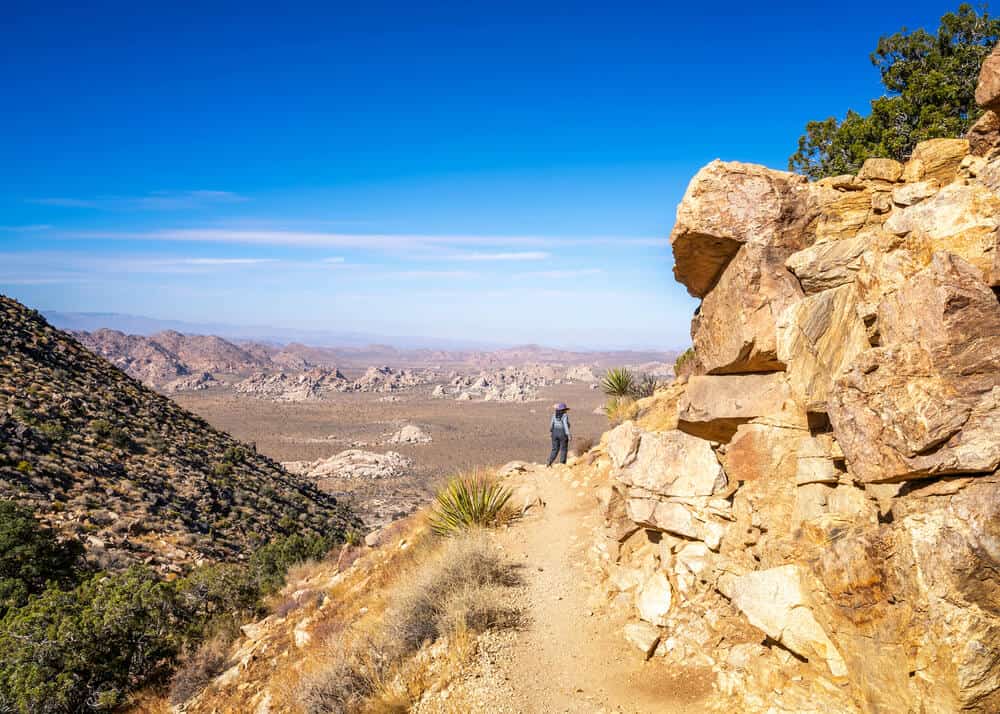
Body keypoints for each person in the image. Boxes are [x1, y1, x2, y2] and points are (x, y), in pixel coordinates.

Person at [546, 402, 571, 466]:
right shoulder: (564, 415)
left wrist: (551, 432)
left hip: (554, 433)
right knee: (563, 449)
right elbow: (565, 425)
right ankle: (562, 464)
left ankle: (549, 461)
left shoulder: (554, 415)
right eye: (565, 409)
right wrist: (568, 434)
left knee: (555, 449)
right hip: (562, 433)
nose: (566, 411)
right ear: (563, 410)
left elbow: (551, 424)